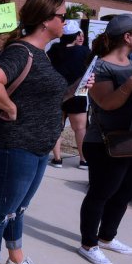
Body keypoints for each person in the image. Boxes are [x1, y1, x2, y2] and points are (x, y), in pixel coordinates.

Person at [0, 0, 69, 264]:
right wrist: (11, 109)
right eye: (62, 16)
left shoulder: (41, 53)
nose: (65, 22)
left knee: (19, 208)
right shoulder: (20, 51)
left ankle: (15, 260)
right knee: (0, 211)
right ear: (46, 20)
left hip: (38, 145)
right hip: (15, 145)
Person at [76, 14, 132, 264]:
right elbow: (106, 103)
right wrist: (130, 85)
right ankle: (88, 244)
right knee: (101, 193)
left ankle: (107, 237)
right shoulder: (100, 66)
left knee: (125, 192)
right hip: (105, 142)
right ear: (128, 36)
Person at [47, 21, 91, 169]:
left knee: (56, 126)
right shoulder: (84, 51)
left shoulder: (53, 50)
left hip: (56, 92)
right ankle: (84, 160)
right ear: (75, 35)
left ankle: (57, 159)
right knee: (80, 128)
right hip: (78, 92)